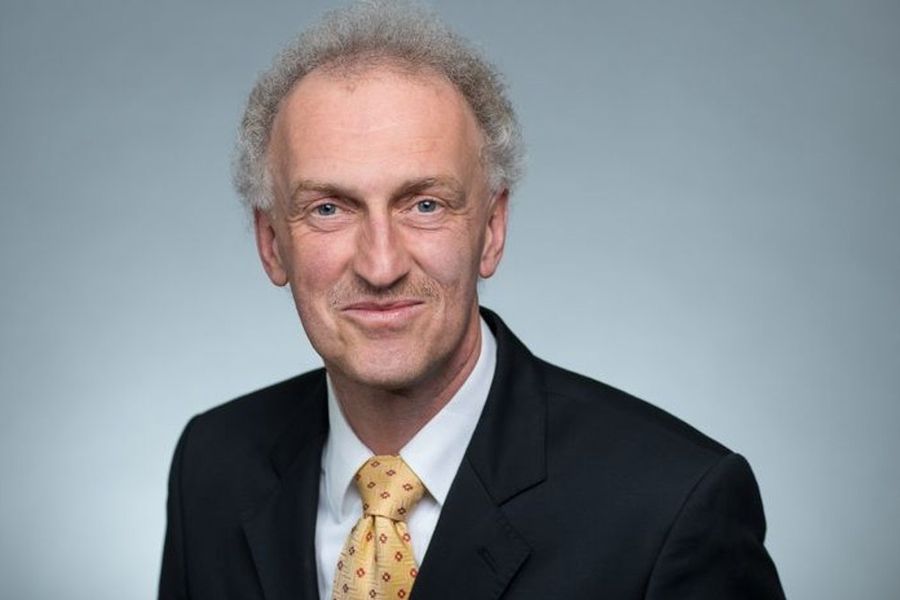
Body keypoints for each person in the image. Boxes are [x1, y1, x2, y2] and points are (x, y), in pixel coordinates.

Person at [158, 2, 785, 599]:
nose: (381, 265)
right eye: (329, 209)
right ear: (271, 243)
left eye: (425, 205)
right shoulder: (210, 466)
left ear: (491, 229)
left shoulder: (673, 505)